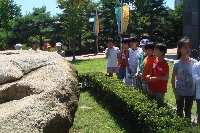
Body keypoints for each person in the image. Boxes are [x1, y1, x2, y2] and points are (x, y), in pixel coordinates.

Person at [171, 36, 197, 121]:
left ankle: (187, 126)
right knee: (179, 110)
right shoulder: (177, 63)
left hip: (190, 92)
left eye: (189, 47)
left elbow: (196, 79)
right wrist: (175, 91)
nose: (187, 49)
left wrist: (195, 92)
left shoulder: (194, 63)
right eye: (185, 47)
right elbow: (172, 79)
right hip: (179, 92)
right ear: (179, 49)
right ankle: (179, 127)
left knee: (188, 111)